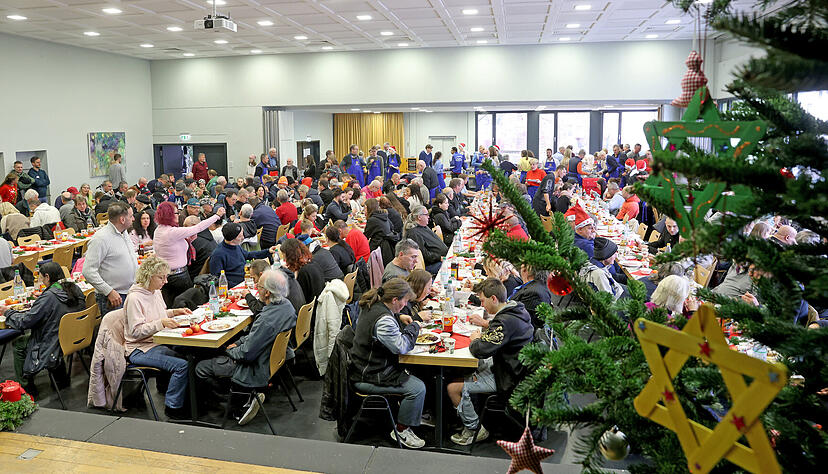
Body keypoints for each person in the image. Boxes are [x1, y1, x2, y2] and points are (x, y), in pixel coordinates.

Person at [196, 269, 296, 424]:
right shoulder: (287, 307)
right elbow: (254, 338)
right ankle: (242, 398)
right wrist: (238, 343)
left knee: (201, 367)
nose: (256, 287)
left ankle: (234, 403)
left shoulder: (266, 320)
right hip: (273, 361)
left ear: (267, 293)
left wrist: (228, 350)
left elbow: (247, 354)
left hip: (256, 367)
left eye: (259, 286)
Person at [447, 278, 533, 446]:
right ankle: (468, 413)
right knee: (463, 370)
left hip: (508, 377)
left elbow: (480, 350)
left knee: (452, 388)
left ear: (493, 298)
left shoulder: (505, 322)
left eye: (483, 301)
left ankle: (474, 430)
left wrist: (475, 339)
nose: (482, 305)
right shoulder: (515, 309)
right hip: (512, 367)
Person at [349, 277, 425, 449]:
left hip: (366, 366)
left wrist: (399, 316)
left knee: (420, 372)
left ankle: (415, 414)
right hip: (369, 375)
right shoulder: (383, 320)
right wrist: (415, 326)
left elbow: (387, 321)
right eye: (405, 301)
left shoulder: (373, 305)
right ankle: (401, 430)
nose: (406, 304)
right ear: (395, 300)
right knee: (417, 388)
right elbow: (402, 346)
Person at [122, 255, 193, 419]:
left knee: (189, 357)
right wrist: (162, 322)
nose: (165, 281)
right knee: (181, 366)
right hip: (139, 349)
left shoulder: (155, 292)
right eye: (161, 277)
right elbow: (136, 331)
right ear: (148, 276)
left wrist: (174, 312)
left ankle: (184, 400)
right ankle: (173, 408)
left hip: (155, 343)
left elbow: (157, 315)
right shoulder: (134, 298)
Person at [1, 262, 85, 394]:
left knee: (18, 343)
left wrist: (7, 312)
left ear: (47, 277)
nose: (41, 281)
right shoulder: (74, 288)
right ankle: (60, 379)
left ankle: (26, 388)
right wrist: (43, 298)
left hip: (52, 342)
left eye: (41, 278)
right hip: (72, 337)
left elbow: (25, 322)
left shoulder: (50, 297)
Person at [154, 201, 225, 306]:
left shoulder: (159, 230)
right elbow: (198, 227)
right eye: (176, 213)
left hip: (167, 275)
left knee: (171, 306)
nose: (178, 215)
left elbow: (174, 247)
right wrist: (217, 216)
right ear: (169, 215)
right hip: (178, 278)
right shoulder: (172, 232)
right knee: (184, 307)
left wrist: (188, 240)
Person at [82, 201, 138, 313]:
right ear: (122, 220)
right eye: (131, 216)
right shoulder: (100, 239)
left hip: (130, 292)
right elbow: (88, 271)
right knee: (115, 330)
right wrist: (109, 291)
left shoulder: (124, 232)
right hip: (113, 297)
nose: (133, 219)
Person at [208, 222, 275, 288]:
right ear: (232, 239)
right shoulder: (218, 255)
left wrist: (267, 251)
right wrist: (238, 286)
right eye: (241, 236)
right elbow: (217, 279)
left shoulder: (236, 246)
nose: (243, 237)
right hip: (236, 286)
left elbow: (248, 255)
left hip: (246, 280)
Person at [403, 204, 447, 275]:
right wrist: (439, 258)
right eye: (426, 215)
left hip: (439, 259)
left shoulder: (423, 227)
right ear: (419, 217)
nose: (428, 217)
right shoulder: (414, 233)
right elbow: (424, 254)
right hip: (430, 265)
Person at [281, 238, 325, 303]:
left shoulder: (303, 272)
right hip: (318, 303)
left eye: (284, 256)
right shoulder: (313, 263)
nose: (284, 259)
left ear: (290, 256)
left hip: (310, 308)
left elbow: (298, 294)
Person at [364, 198, 399, 265]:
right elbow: (392, 227)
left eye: (365, 208)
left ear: (369, 208)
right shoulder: (384, 215)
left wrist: (355, 227)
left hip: (378, 248)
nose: (364, 211)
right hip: (388, 247)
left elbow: (365, 236)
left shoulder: (372, 220)